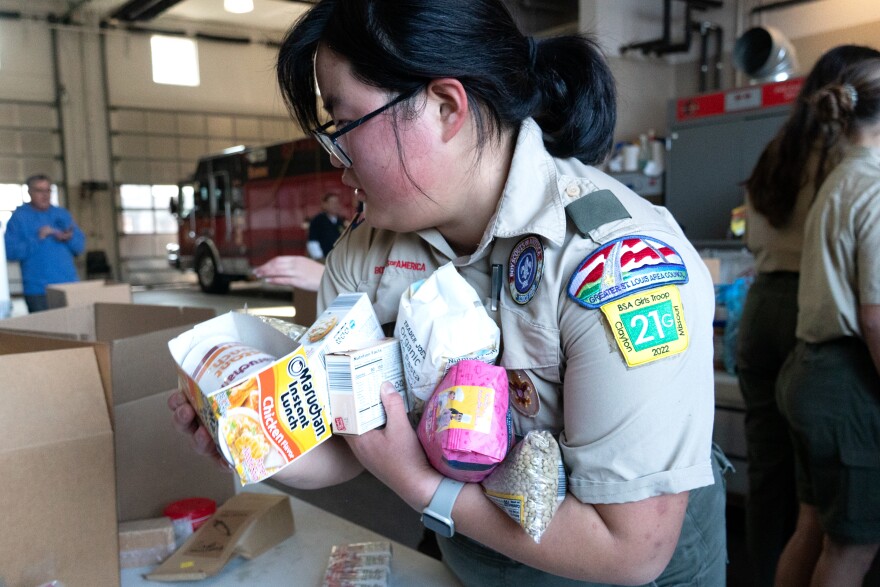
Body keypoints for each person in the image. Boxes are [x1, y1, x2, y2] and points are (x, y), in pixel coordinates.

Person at [170, 1, 728, 584]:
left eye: (343, 126)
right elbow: (344, 439)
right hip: (479, 556)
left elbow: (631, 549)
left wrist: (421, 484)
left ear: (443, 107)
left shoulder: (615, 262)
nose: (338, 164)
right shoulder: (366, 254)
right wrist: (249, 434)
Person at [736, 44, 880, 587]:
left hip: (762, 308)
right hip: (813, 310)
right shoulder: (849, 156)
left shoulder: (781, 143)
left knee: (778, 479)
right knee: (839, 516)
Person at [4, 174, 85, 313]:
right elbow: (10, 252)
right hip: (38, 291)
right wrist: (38, 238)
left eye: (48, 190)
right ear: (29, 192)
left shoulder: (62, 214)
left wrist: (68, 238)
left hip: (68, 285)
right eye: (39, 191)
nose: (45, 195)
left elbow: (80, 247)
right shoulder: (19, 217)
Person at [306, 191, 345, 259]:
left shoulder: (340, 221)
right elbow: (312, 241)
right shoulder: (317, 220)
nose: (335, 205)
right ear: (324, 204)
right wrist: (320, 259)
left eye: (337, 203)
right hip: (324, 259)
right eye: (332, 203)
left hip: (339, 259)